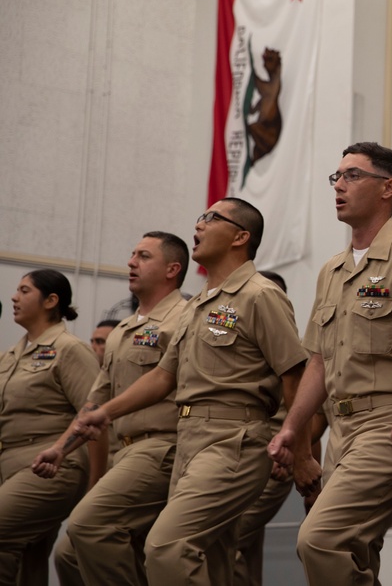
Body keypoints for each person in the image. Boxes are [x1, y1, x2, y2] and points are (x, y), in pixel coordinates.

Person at [72, 198, 313, 586]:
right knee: (217, 565)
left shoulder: (260, 294)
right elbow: (162, 377)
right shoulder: (197, 304)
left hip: (233, 440)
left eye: (211, 218)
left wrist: (301, 454)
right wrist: (105, 412)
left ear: (241, 237)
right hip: (189, 441)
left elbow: (294, 376)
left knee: (166, 547)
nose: (198, 225)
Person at [268, 142, 392, 585]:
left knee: (321, 539)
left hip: (390, 425)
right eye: (337, 177)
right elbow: (318, 361)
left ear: (388, 188)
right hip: (341, 431)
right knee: (357, 551)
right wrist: (294, 429)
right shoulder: (332, 269)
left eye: (352, 176)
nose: (338, 186)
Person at [32, 233, 188, 586]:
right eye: (132, 255)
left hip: (164, 447)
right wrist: (60, 448)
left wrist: (103, 415)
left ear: (171, 269)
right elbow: (93, 402)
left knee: (89, 524)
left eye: (144, 256)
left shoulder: (185, 319)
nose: (131, 262)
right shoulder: (122, 331)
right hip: (125, 450)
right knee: (69, 553)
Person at [0, 270, 103, 583]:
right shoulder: (12, 354)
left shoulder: (69, 348)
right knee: (27, 557)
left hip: (49, 464)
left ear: (51, 300)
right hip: (9, 461)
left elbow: (93, 414)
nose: (14, 297)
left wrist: (94, 487)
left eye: (24, 290)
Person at [232, 269, 295, 586]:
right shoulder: (244, 346)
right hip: (235, 455)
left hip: (273, 459)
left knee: (226, 540)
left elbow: (316, 413)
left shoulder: (294, 349)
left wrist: (295, 453)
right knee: (245, 548)